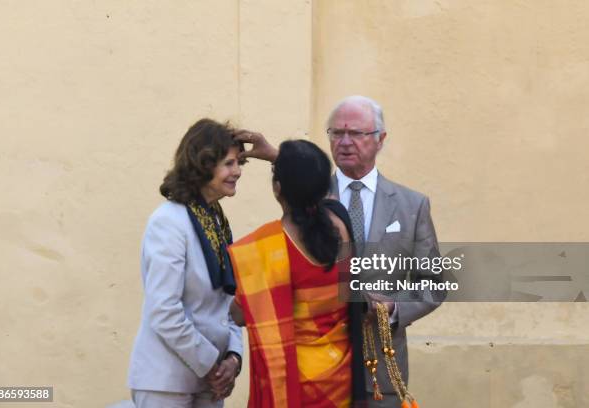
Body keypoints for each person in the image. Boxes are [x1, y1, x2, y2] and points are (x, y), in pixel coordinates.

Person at [236, 95, 444, 407]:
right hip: (318, 371)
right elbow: (300, 177)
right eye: (336, 133)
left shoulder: (411, 206)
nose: (345, 142)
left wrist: (395, 308)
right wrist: (278, 157)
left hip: (381, 371)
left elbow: (435, 283)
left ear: (380, 139)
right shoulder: (315, 196)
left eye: (356, 134)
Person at [228, 140, 366, 407]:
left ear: (278, 188)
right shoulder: (340, 222)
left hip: (294, 385)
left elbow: (240, 315)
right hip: (340, 381)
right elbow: (312, 182)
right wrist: (281, 159)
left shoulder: (268, 245)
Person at [128, 119, 244, 408]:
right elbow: (164, 310)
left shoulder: (216, 221)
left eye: (239, 163)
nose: (237, 171)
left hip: (209, 382)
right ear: (204, 164)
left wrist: (233, 357)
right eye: (229, 163)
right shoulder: (169, 221)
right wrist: (211, 365)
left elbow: (226, 304)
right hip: (166, 384)